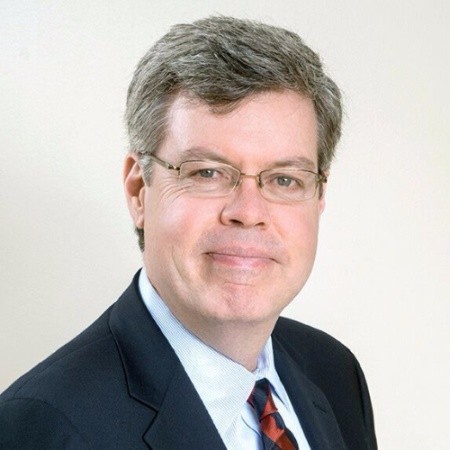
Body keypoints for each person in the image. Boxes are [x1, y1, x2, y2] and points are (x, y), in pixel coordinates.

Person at [0, 16, 377, 449]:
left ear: (319, 196)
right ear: (139, 191)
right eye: (208, 173)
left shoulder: (334, 374)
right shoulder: (43, 428)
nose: (248, 212)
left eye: (284, 179)